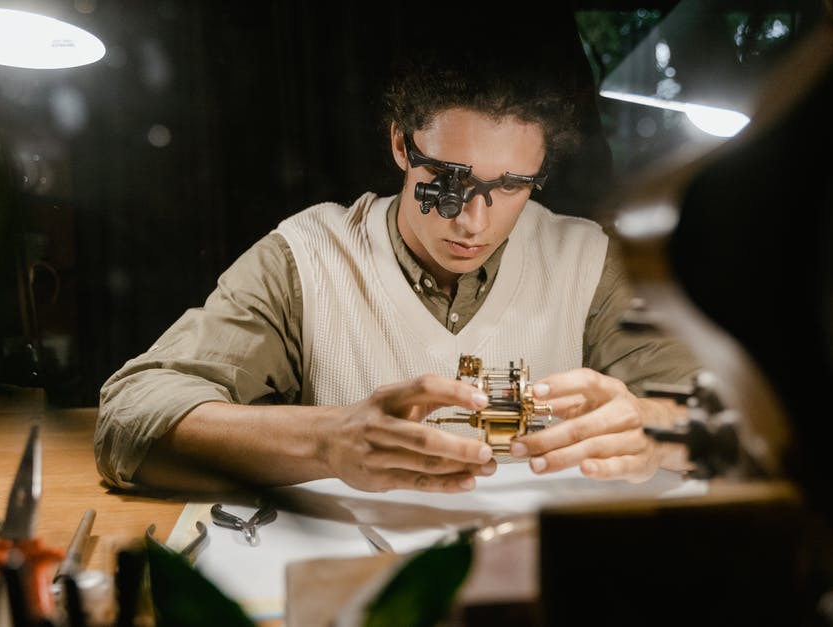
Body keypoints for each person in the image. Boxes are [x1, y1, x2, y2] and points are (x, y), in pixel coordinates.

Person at [94, 36, 701, 494]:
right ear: (399, 144)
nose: (473, 224)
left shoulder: (589, 263)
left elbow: (734, 424)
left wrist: (655, 425)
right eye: (449, 180)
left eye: (512, 186)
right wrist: (328, 441)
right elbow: (130, 416)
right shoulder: (307, 258)